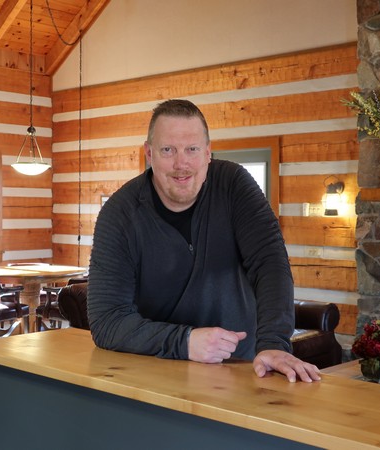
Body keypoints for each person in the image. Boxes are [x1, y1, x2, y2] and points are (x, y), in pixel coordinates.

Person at [87, 99, 320, 383]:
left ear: (208, 153)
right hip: (155, 374)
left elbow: (270, 264)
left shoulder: (234, 185)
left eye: (192, 149)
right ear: (149, 153)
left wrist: (273, 343)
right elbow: (107, 321)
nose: (181, 163)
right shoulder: (119, 214)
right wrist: (184, 342)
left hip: (242, 369)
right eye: (167, 150)